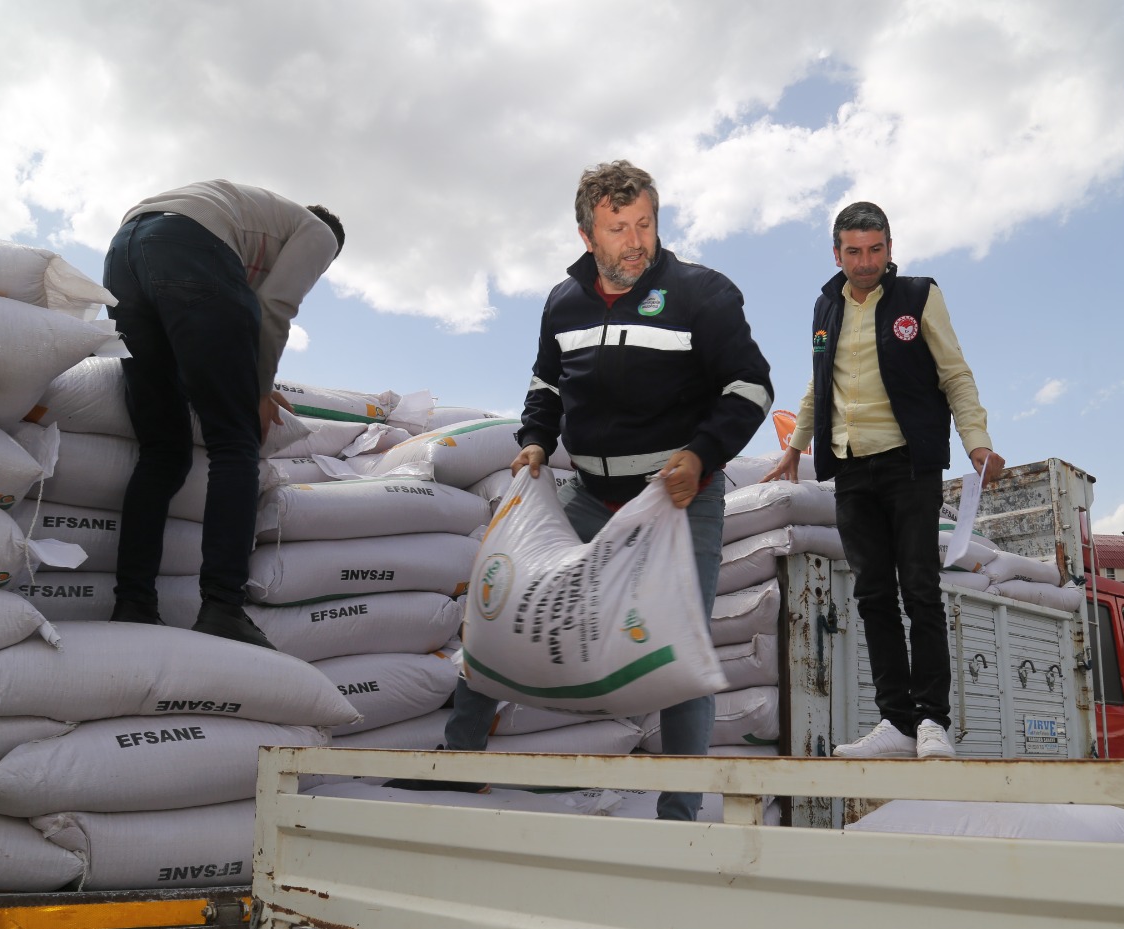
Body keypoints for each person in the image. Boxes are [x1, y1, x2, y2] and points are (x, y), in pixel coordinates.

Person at [393, 160, 774, 820]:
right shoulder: (563, 304)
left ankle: (679, 816)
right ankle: (458, 768)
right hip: (592, 495)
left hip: (677, 499)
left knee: (680, 647)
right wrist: (536, 440)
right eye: (618, 227)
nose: (635, 241)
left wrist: (700, 454)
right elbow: (545, 385)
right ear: (586, 235)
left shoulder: (701, 294)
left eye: (645, 224)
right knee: (501, 611)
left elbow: (750, 387)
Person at [764, 201, 1002, 759]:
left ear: (889, 249)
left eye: (875, 250)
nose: (865, 262)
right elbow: (819, 382)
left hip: (908, 464)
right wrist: (796, 447)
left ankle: (932, 721)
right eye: (853, 251)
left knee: (919, 588)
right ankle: (895, 721)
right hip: (850, 467)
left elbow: (955, 374)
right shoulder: (826, 306)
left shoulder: (918, 297)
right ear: (836, 252)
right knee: (871, 594)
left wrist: (978, 440)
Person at [103, 180, 344, 647]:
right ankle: (222, 606)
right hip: (189, 248)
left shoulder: (255, 220)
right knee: (235, 443)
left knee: (162, 452)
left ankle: (132, 604)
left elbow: (218, 319)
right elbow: (274, 307)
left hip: (123, 253)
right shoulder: (320, 233)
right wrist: (259, 391)